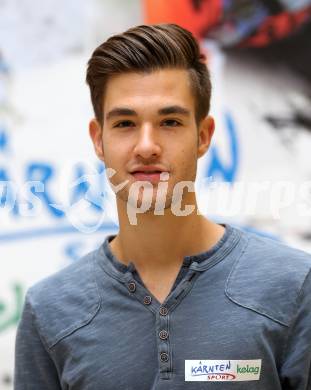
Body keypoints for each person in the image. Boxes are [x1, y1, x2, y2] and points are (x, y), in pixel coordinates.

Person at [14, 23, 311, 389]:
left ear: (203, 136)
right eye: (125, 123)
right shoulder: (49, 310)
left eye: (170, 121)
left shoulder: (294, 285)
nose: (147, 146)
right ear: (98, 139)